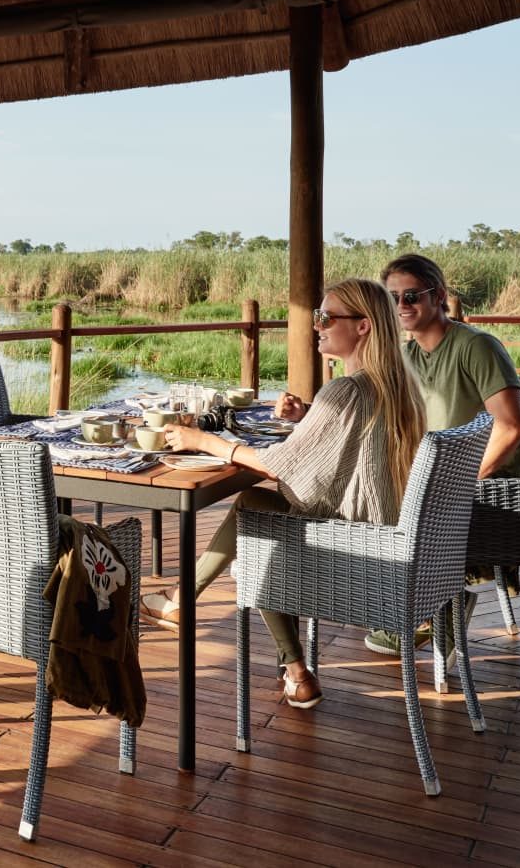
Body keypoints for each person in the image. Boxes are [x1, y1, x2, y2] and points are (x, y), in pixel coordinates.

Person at [138, 278, 426, 708]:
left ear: (363, 326)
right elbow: (345, 447)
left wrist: (204, 441)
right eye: (317, 316)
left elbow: (280, 466)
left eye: (327, 317)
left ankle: (189, 603)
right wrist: (310, 415)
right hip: (393, 546)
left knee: (261, 531)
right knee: (258, 506)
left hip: (358, 555)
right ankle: (291, 670)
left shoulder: (347, 389)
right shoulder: (398, 385)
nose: (317, 326)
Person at [359, 254, 520, 657]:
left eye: (411, 295)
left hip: (494, 482)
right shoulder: (411, 357)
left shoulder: (476, 346)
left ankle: (436, 609)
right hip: (441, 478)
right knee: (370, 494)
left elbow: (512, 428)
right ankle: (420, 608)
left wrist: (459, 484)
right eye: (392, 297)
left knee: (398, 507)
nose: (401, 305)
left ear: (438, 297)